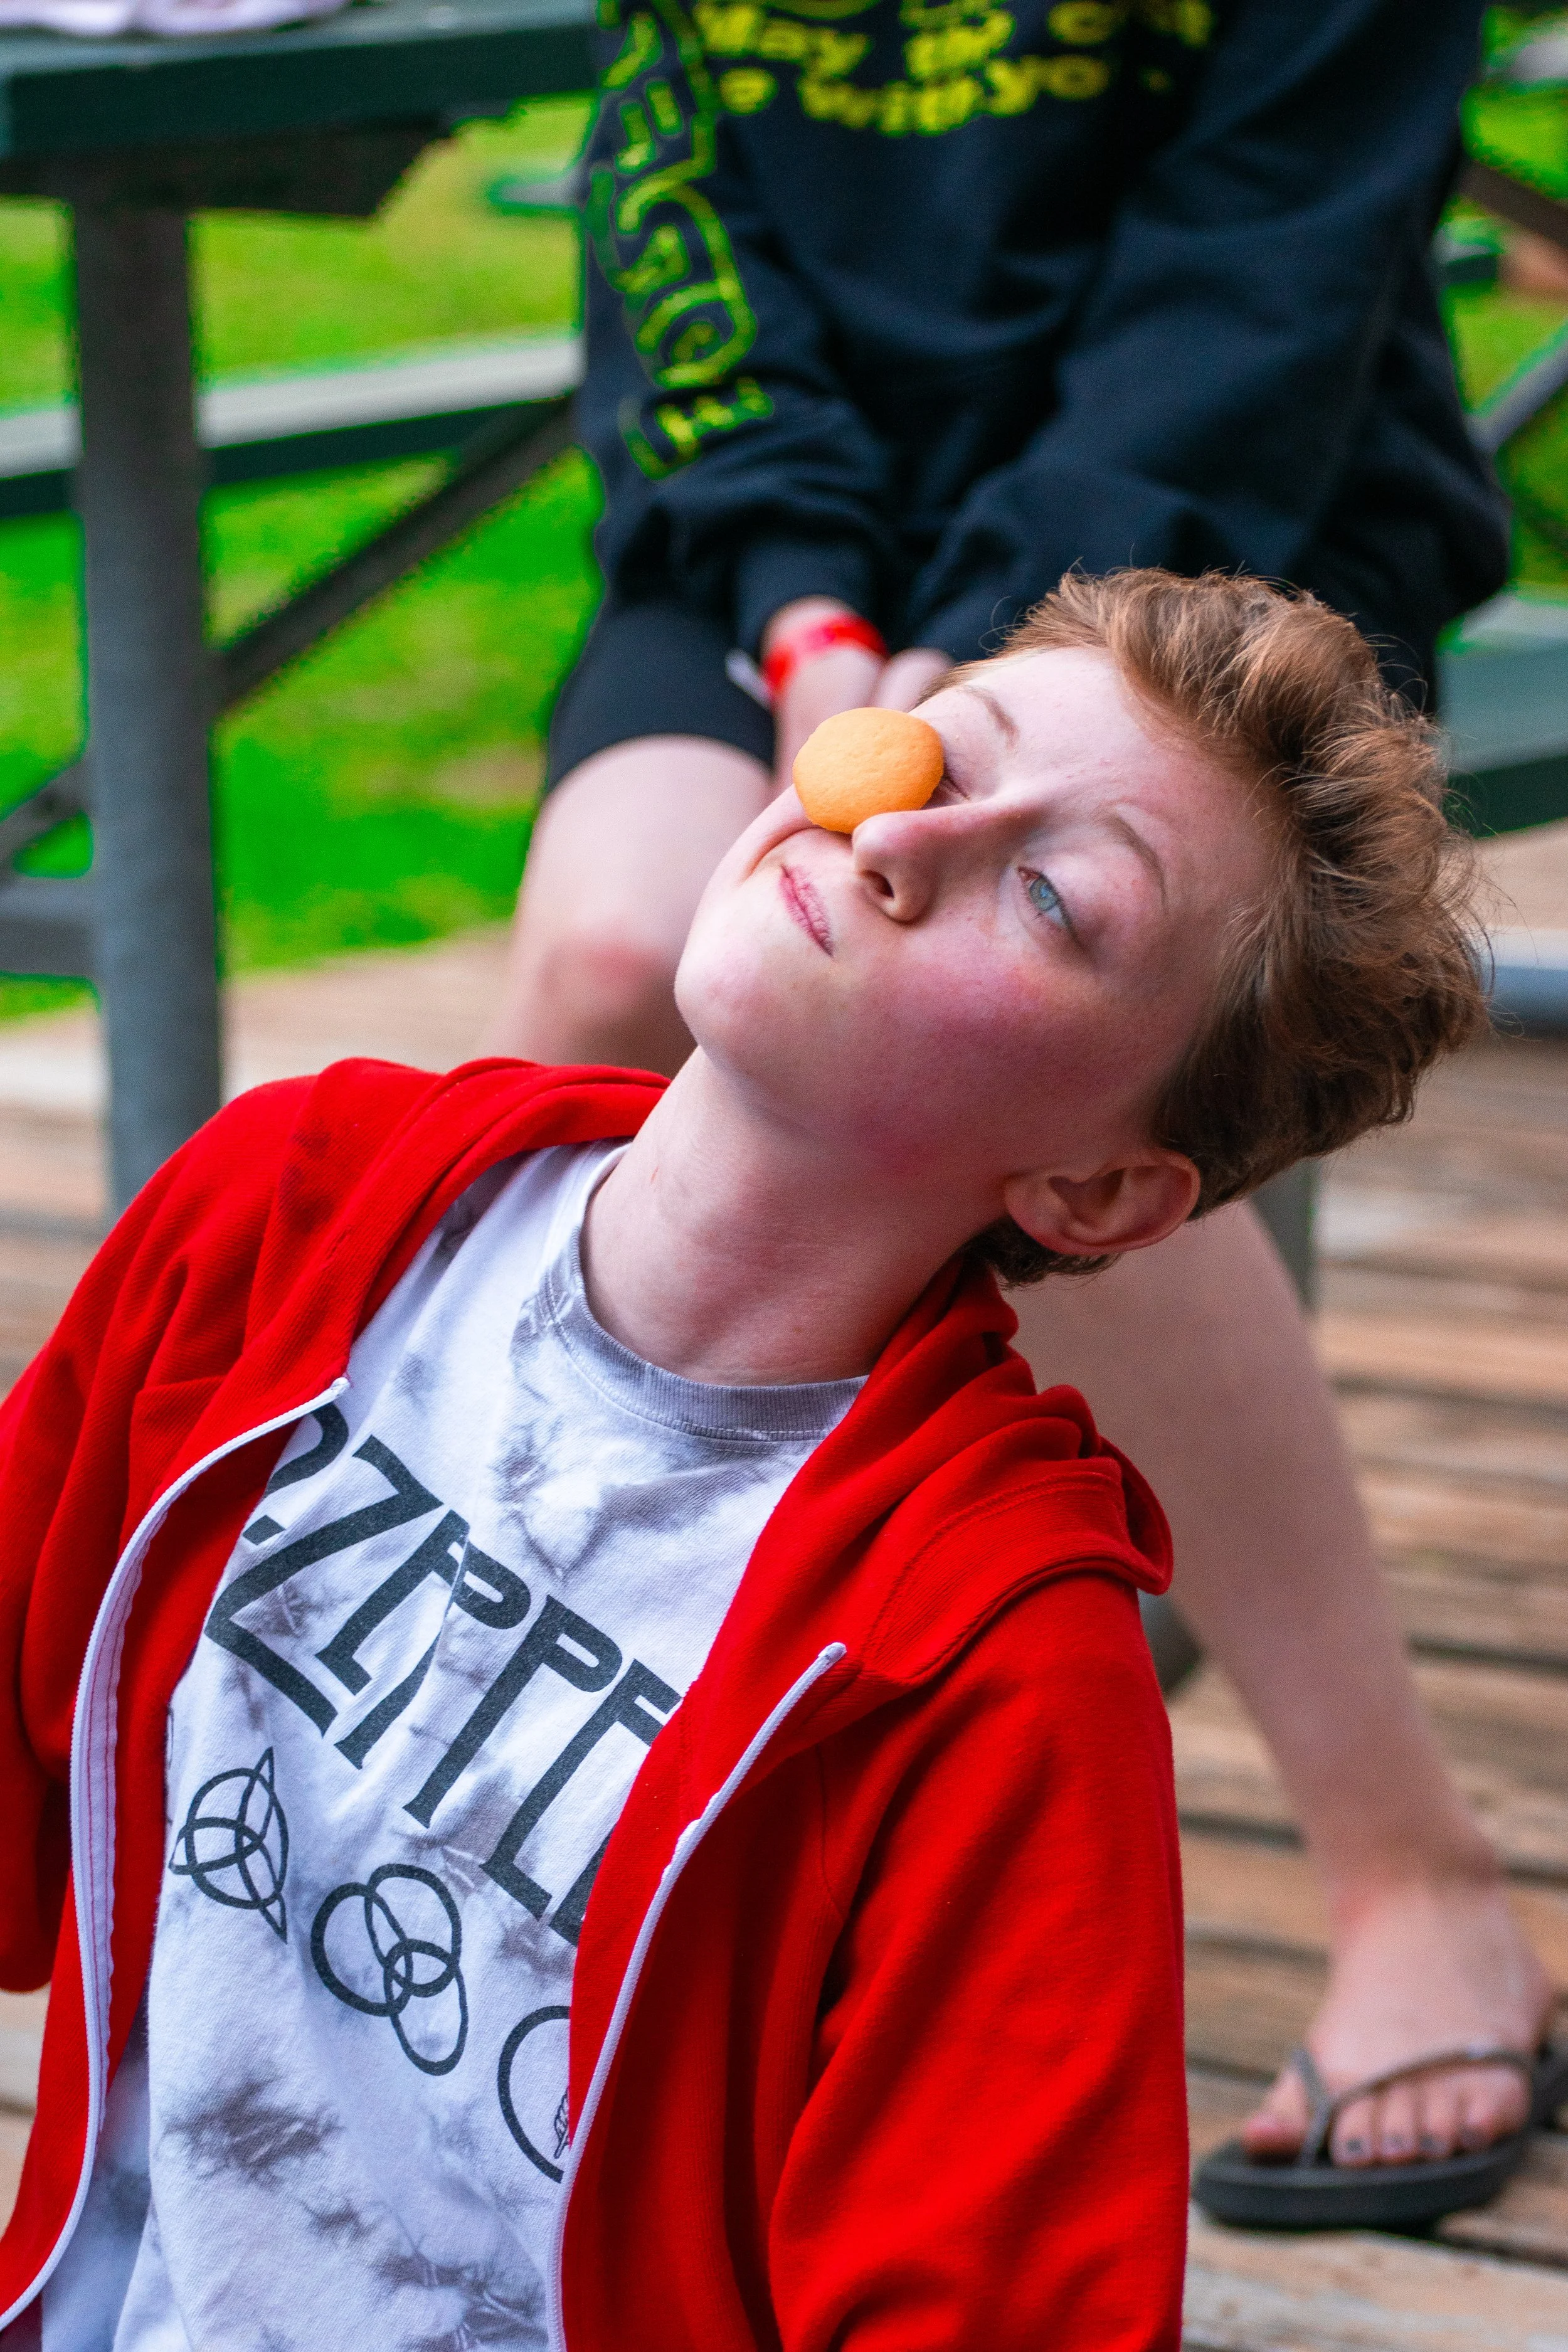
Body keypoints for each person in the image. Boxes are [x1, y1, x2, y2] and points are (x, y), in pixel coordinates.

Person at [0, 575, 1488, 2343]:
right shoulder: (279, 1210)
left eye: (1046, 894)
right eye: (939, 750)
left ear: (1094, 1192)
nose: (901, 833)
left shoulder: (996, 1676)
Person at [483, 0, 1549, 2198]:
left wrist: (979, 678)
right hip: (800, 535)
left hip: (1225, 547)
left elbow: (1261, 268)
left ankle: (1402, 1865)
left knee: (1011, 1040)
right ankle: (621, 1735)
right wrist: (804, 615)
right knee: (610, 956)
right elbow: (675, 225)